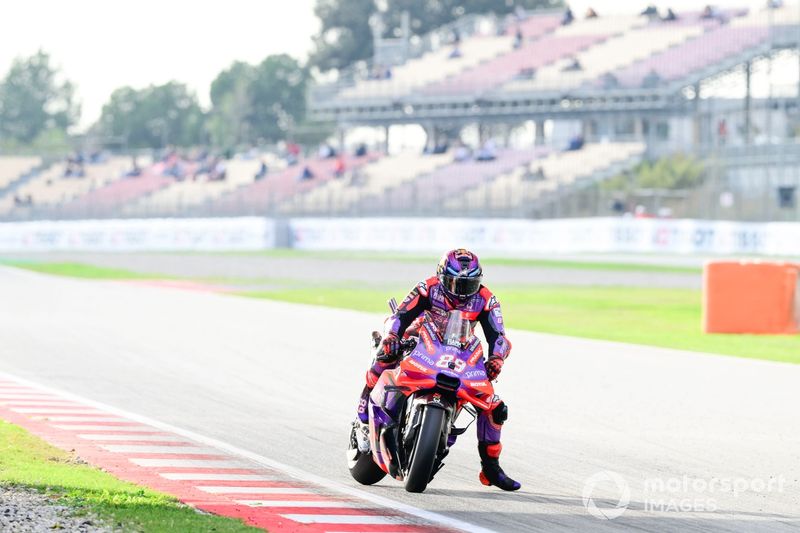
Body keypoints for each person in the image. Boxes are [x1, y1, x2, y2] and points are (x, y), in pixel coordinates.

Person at [354, 249, 520, 491]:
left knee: (495, 407)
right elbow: (400, 314)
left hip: (458, 350)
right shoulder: (427, 287)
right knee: (385, 356)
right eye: (455, 283)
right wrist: (392, 336)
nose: (461, 291)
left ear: (479, 281)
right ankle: (362, 419)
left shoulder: (487, 299)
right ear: (442, 277)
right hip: (420, 337)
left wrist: (497, 358)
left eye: (468, 284)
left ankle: (490, 467)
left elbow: (499, 336)